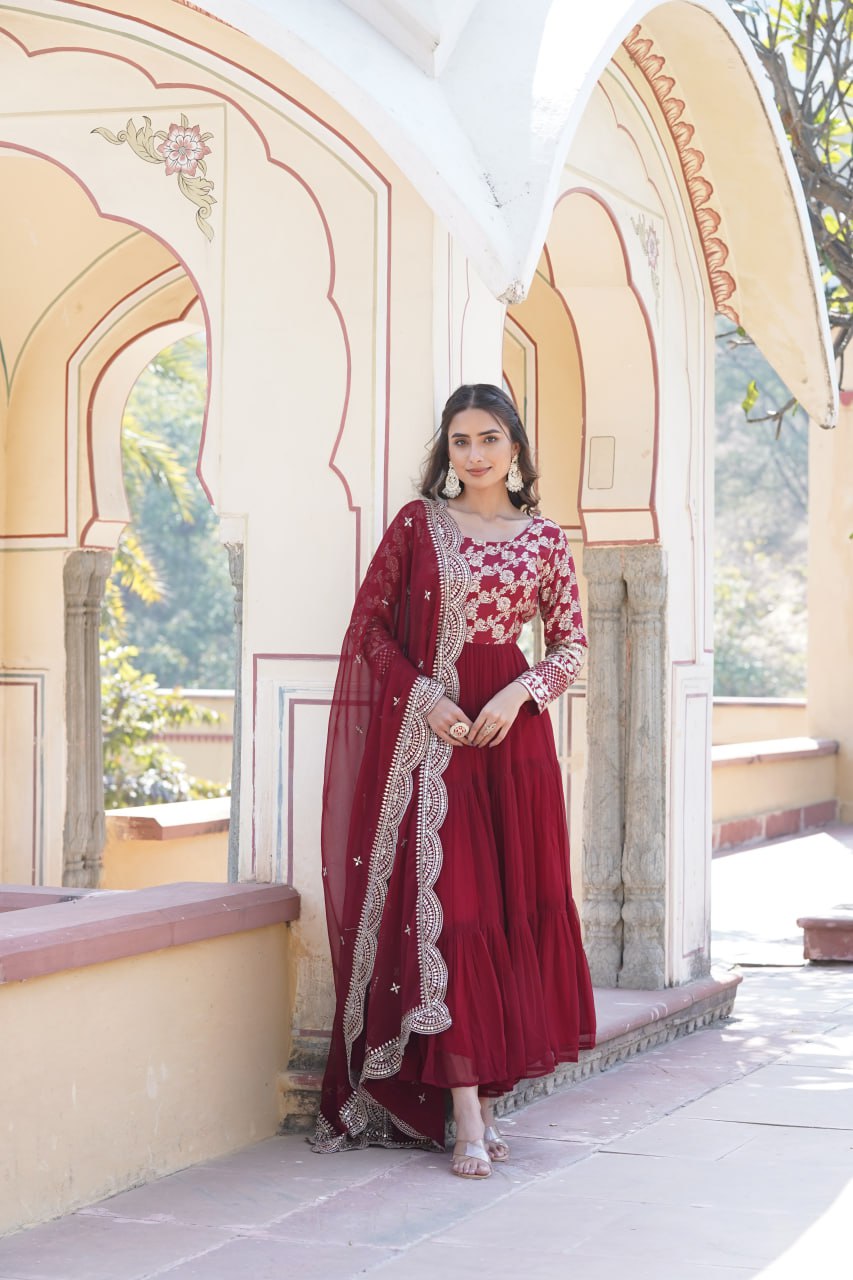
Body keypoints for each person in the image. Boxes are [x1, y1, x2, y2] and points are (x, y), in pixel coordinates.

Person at [311, 383, 596, 1178]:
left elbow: (571, 645)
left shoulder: (541, 538)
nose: (472, 454)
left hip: (511, 743)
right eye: (459, 441)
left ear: (515, 447)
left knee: (505, 911)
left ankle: (486, 1097)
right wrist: (425, 696)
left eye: (488, 439)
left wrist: (520, 689)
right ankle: (464, 1111)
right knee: (453, 916)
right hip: (432, 742)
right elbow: (367, 627)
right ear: (447, 450)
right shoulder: (418, 526)